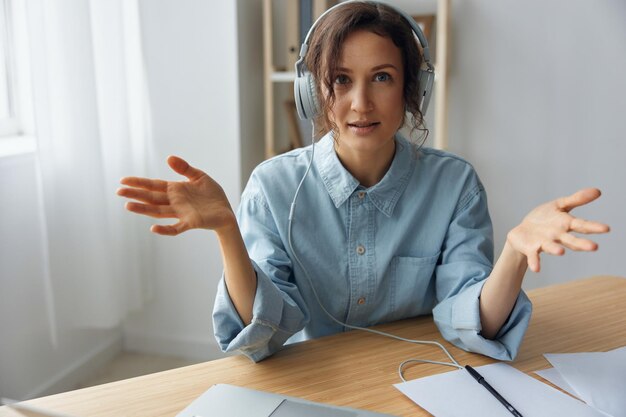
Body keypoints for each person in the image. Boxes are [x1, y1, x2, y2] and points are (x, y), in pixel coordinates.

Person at [117, 1, 609, 363]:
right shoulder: (272, 187)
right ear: (314, 92)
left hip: (425, 377)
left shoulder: (455, 184)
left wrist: (514, 256)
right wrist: (228, 232)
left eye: (382, 78)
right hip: (318, 381)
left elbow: (471, 323)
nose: (360, 104)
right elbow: (262, 334)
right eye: (339, 80)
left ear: (412, 89)